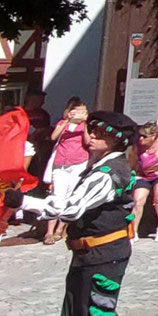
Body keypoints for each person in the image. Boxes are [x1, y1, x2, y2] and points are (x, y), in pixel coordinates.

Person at [22, 110, 139, 316]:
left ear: (117, 139)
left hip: (105, 255)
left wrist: (21, 202)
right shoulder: (94, 168)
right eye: (90, 130)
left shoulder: (109, 172)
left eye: (100, 132)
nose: (91, 136)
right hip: (86, 255)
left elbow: (70, 210)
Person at [43, 100, 91, 246]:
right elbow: (53, 137)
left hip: (78, 162)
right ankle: (49, 231)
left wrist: (85, 124)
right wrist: (67, 121)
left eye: (83, 111)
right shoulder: (63, 123)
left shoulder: (84, 126)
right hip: (61, 163)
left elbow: (88, 141)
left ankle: (60, 229)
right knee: (57, 195)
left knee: (71, 195)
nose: (79, 114)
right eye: (77, 111)